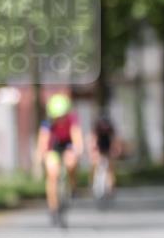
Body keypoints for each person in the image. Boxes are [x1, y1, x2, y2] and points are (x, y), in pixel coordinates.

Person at [36, 93, 83, 227]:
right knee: (52, 175)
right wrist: (41, 156)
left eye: (63, 116)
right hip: (54, 147)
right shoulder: (48, 123)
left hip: (67, 145)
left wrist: (78, 150)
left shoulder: (72, 120)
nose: (60, 119)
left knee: (71, 163)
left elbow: (76, 136)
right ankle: (53, 208)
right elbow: (43, 141)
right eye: (57, 117)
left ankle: (72, 186)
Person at [90, 112, 121, 200]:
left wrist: (115, 150)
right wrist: (93, 152)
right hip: (99, 146)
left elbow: (114, 140)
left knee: (110, 168)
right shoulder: (97, 128)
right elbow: (93, 140)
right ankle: (93, 184)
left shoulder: (110, 128)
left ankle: (111, 188)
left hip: (107, 146)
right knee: (95, 165)